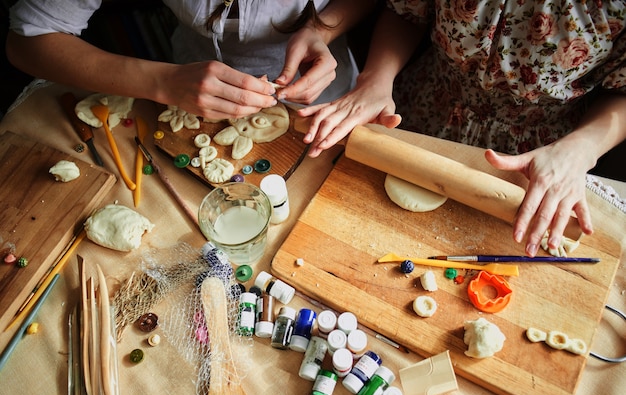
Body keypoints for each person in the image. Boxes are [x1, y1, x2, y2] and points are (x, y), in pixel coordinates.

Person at [299, 1, 626, 257]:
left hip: (539, 157)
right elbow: (407, 13)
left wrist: (581, 149)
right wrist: (375, 80)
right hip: (420, 115)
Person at [6, 0, 372, 121]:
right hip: (185, 96)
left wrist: (321, 29)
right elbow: (29, 39)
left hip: (327, 99)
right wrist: (163, 82)